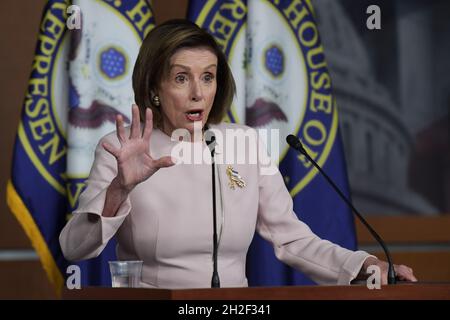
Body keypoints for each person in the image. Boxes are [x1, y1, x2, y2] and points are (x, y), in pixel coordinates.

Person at [59, 19, 417, 288]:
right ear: (155, 86)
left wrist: (364, 266)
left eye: (208, 77)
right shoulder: (124, 149)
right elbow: (74, 247)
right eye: (182, 78)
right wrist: (118, 190)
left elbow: (292, 240)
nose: (198, 93)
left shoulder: (243, 143)